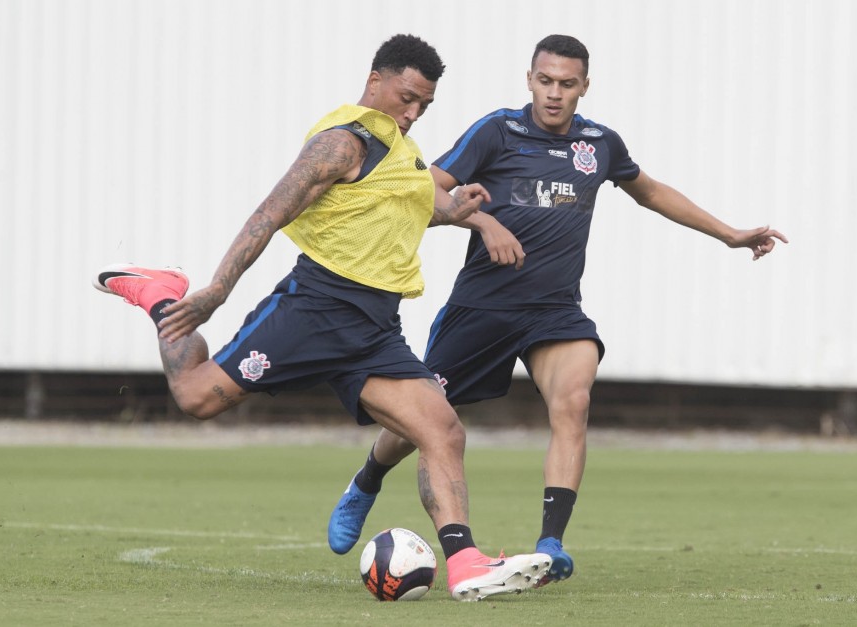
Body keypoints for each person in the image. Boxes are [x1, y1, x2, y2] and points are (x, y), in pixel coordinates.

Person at [93, 34, 551, 601]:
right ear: (375, 79)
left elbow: (398, 209)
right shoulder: (341, 143)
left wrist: (460, 214)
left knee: (443, 429)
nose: (412, 112)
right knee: (195, 397)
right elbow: (269, 212)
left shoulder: (402, 150)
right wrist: (215, 290)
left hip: (376, 328)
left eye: (424, 105)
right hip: (315, 309)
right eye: (406, 97)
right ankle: (159, 294)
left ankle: (465, 564)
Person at [326, 34, 788, 587]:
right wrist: (482, 221)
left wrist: (730, 235)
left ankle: (550, 546)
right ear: (529, 80)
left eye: (566, 84)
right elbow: (426, 191)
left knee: (573, 401)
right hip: (482, 308)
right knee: (425, 423)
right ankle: (369, 478)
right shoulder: (497, 131)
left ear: (583, 87)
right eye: (545, 81)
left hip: (555, 312)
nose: (554, 93)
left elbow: (652, 191)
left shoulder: (599, 144)